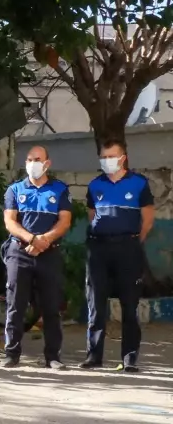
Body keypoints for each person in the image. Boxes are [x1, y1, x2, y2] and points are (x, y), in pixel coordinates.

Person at [81, 139, 154, 372]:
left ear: (122, 158)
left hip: (128, 249)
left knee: (129, 305)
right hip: (99, 249)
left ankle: (130, 358)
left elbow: (148, 220)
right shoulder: (95, 185)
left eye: (111, 157)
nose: (106, 161)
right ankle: (94, 355)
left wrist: (130, 242)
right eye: (103, 157)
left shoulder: (139, 184)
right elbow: (92, 216)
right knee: (95, 303)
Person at [2, 145, 72, 370]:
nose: (34, 164)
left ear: (47, 163)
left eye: (38, 159)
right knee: (15, 305)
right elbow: (10, 222)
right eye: (30, 160)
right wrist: (32, 239)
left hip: (49, 254)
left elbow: (64, 222)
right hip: (19, 253)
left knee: (51, 307)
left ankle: (53, 356)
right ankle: (11, 354)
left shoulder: (59, 190)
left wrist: (44, 241)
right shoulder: (14, 190)